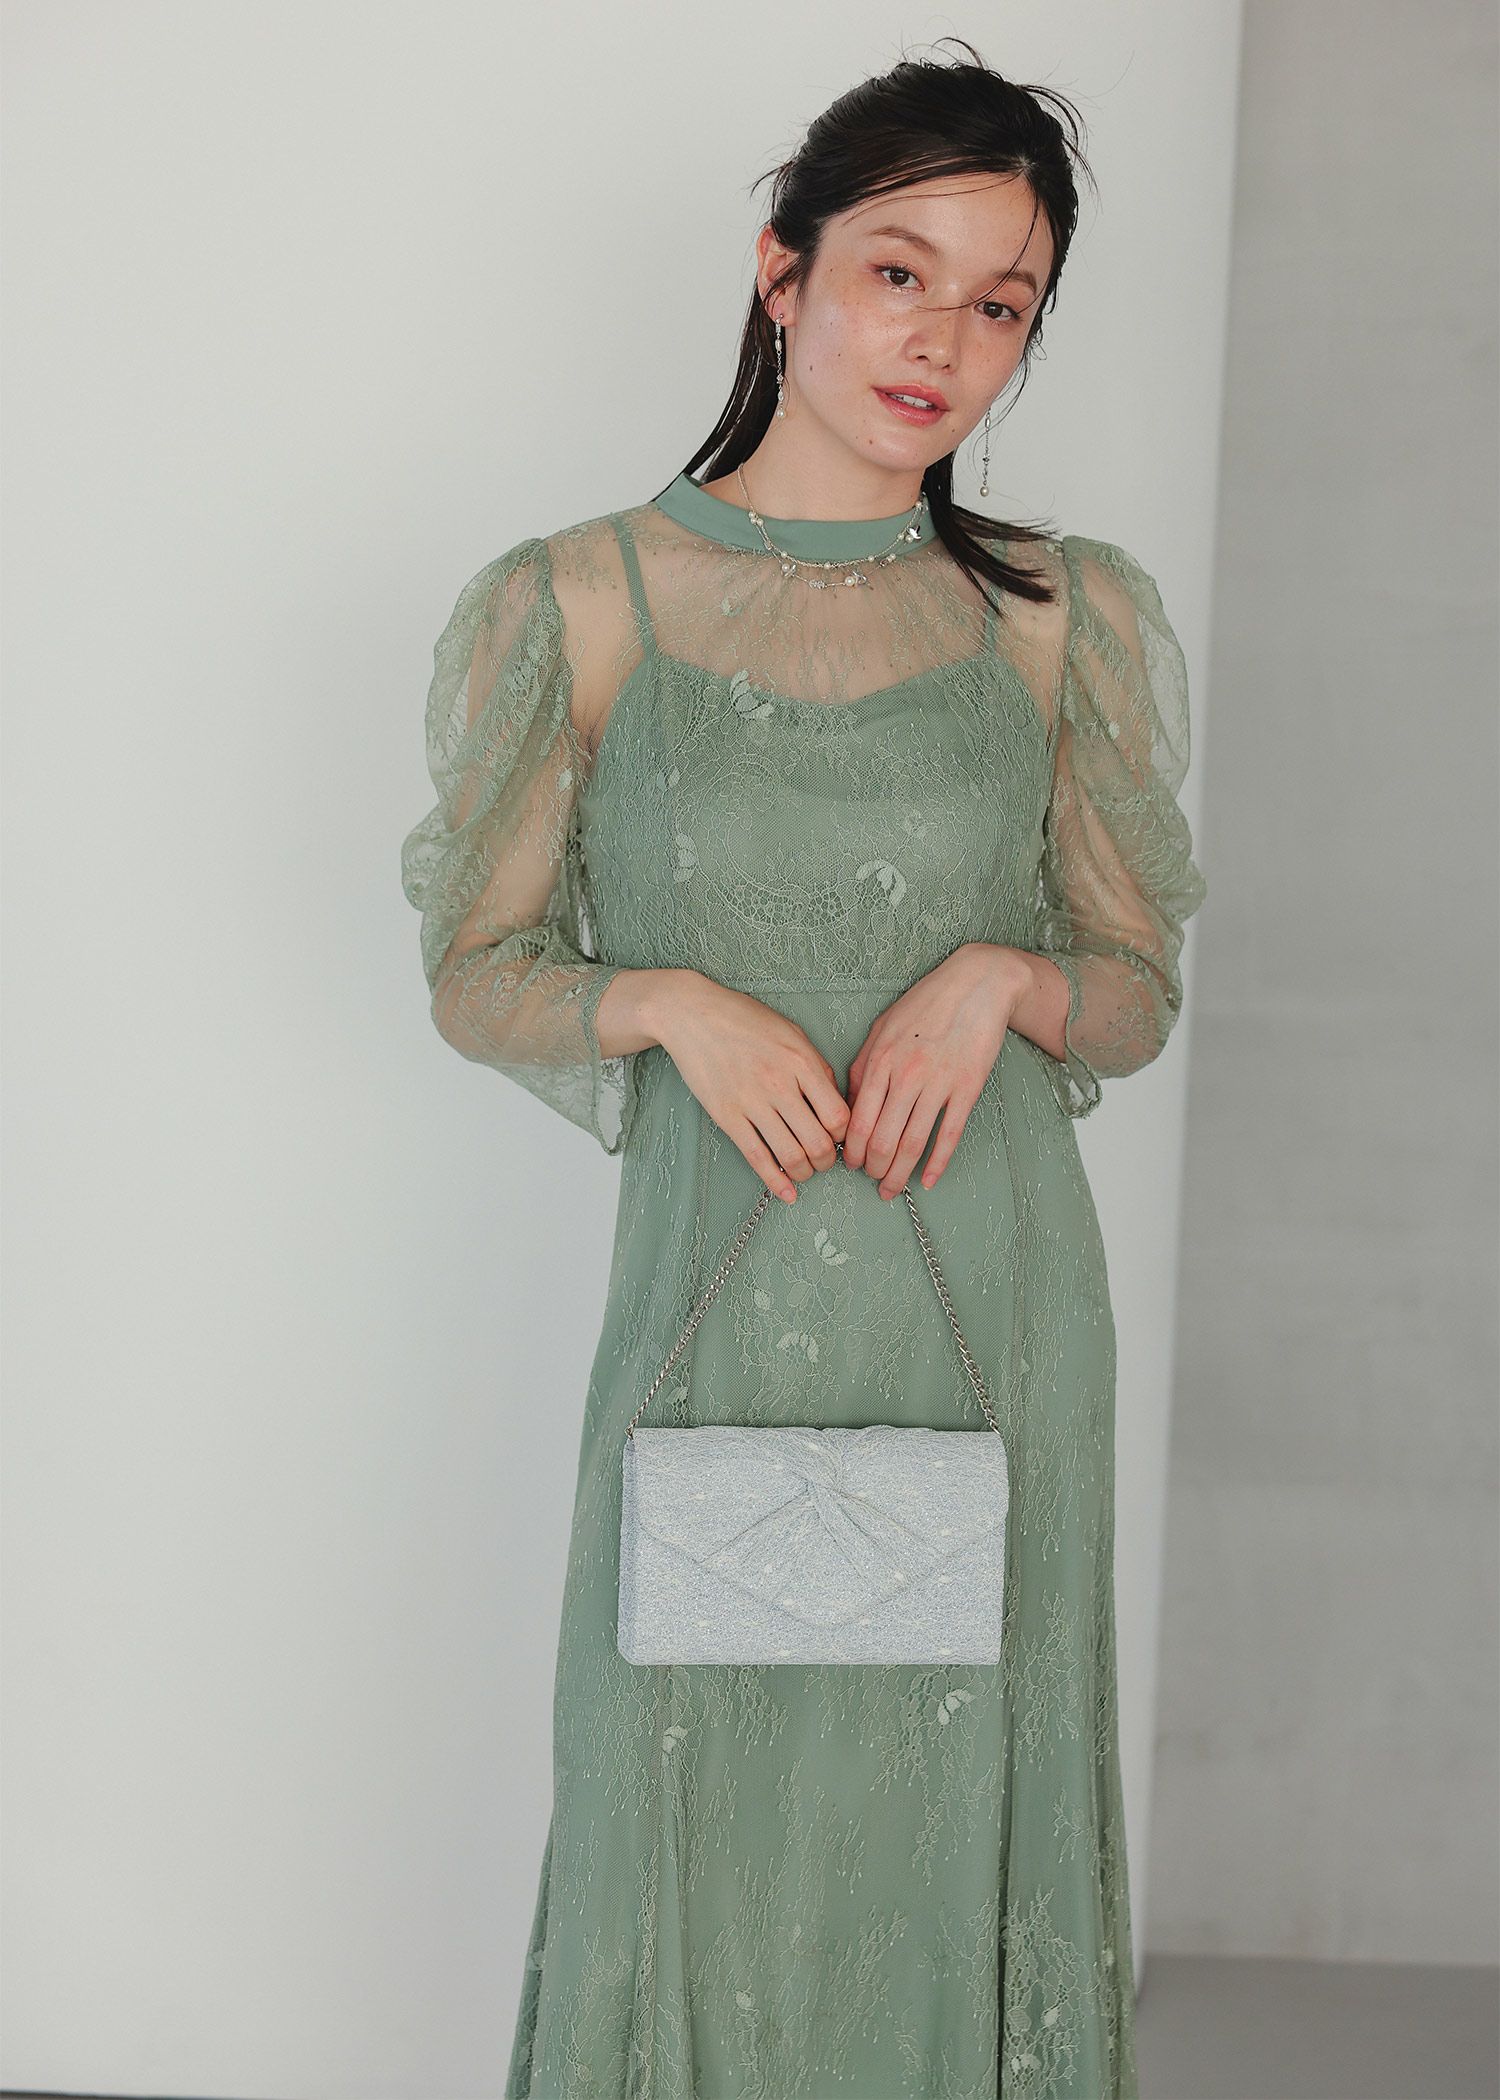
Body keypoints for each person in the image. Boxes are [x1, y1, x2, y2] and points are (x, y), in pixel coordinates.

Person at [400, 39, 1207, 2100]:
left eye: (1002, 303)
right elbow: (479, 971)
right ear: (785, 273)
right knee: (683, 1804)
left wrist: (1006, 977)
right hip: (717, 1316)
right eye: (898, 272)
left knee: (961, 1814)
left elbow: (1133, 992)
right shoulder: (580, 603)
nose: (944, 340)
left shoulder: (1063, 622)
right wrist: (664, 1001)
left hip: (992, 1309)